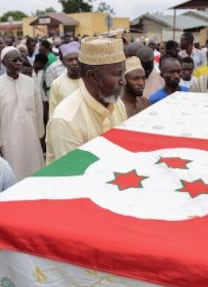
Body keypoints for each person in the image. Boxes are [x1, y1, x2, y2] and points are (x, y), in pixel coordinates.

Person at [46, 37, 127, 164]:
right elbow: (75, 176)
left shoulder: (118, 104)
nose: (123, 81)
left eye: (123, 73)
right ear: (92, 76)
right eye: (118, 74)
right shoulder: (66, 120)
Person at [0, 47, 45, 181]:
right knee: (15, 176)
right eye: (14, 60)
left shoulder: (30, 82)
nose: (19, 63)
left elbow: (38, 110)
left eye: (20, 59)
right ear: (3, 63)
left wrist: (40, 136)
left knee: (35, 175)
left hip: (31, 138)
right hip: (9, 142)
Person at [48, 41, 82, 118]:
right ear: (63, 62)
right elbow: (53, 111)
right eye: (70, 60)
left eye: (77, 59)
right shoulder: (56, 84)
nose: (74, 63)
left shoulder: (89, 81)